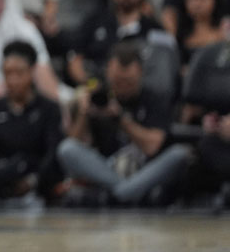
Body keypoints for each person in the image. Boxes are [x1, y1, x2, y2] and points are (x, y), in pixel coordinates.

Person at [57, 41, 191, 205]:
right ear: (108, 72)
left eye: (129, 82)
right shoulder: (99, 97)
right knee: (67, 148)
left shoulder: (155, 98)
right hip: (108, 169)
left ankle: (119, 194)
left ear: (141, 73)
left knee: (179, 154)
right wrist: (83, 112)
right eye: (117, 81)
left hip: (145, 172)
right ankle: (126, 192)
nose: (122, 87)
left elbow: (152, 146)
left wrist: (120, 119)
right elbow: (76, 144)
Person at [0, 41, 64, 210]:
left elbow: (52, 151)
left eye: (19, 73)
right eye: (7, 73)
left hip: (36, 179)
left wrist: (33, 180)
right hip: (0, 175)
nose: (13, 80)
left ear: (32, 72)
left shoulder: (49, 109)